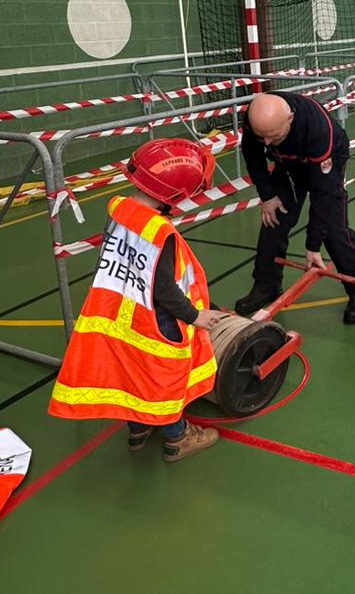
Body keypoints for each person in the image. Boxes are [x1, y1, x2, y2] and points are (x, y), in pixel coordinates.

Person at [49, 138, 224, 462]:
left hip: (125, 312)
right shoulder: (159, 232)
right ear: (175, 193)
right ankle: (177, 438)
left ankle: (138, 428)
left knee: (136, 374)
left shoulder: (121, 210)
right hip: (158, 318)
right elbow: (164, 289)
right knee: (163, 379)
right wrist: (194, 316)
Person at [234, 91, 355, 324]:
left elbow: (323, 193)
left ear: (289, 119)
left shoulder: (317, 129)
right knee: (273, 219)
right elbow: (253, 155)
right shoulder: (257, 119)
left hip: (326, 162)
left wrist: (312, 245)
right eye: (261, 136)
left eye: (272, 136)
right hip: (288, 163)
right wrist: (267, 196)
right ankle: (267, 285)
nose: (266, 143)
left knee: (332, 230)